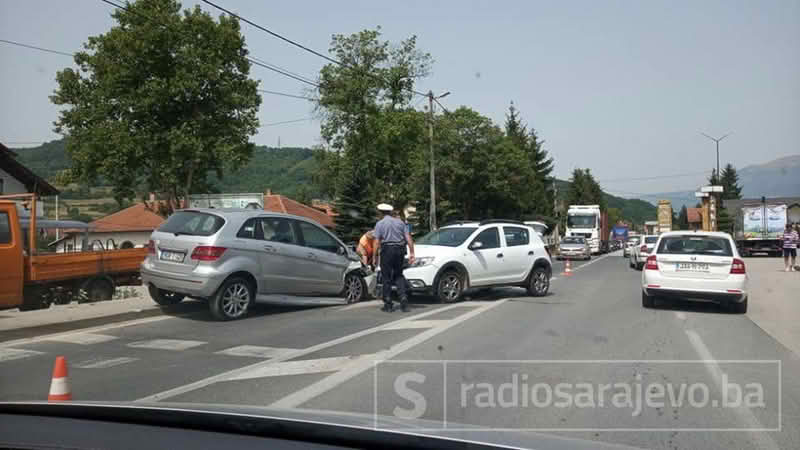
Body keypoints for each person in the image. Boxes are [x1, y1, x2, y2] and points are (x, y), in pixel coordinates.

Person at [374, 203, 415, 312]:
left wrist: (374, 256)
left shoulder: (380, 224)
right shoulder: (400, 222)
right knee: (399, 275)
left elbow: (377, 242)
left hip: (387, 250)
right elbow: (408, 238)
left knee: (386, 277)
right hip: (400, 250)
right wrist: (412, 253)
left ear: (380, 212)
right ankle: (403, 299)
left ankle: (388, 303)